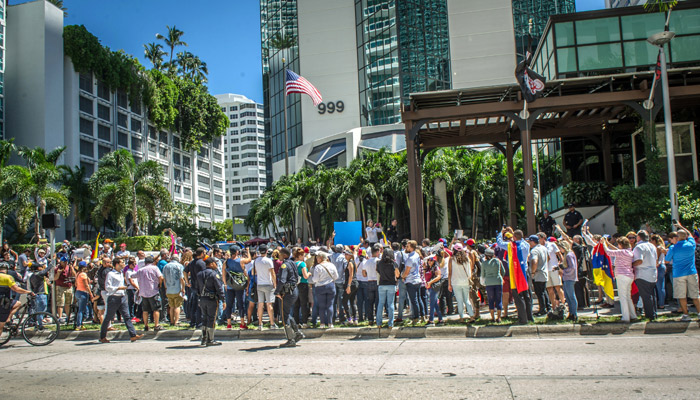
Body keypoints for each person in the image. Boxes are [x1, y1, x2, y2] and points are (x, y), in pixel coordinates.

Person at [99, 258, 144, 343]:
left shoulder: (121, 273)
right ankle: (102, 336)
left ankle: (133, 335)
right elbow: (107, 287)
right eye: (122, 262)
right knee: (108, 317)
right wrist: (118, 288)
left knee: (127, 317)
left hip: (122, 297)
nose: (124, 264)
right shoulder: (110, 274)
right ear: (117, 264)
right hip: (113, 297)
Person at [497, 228, 533, 324]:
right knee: (526, 295)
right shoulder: (526, 244)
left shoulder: (511, 245)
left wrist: (501, 232)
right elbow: (519, 238)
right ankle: (529, 317)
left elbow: (499, 242)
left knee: (518, 296)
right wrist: (513, 233)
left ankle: (523, 319)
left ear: (514, 237)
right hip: (525, 271)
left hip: (516, 273)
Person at [666, 222, 700, 322]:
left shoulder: (673, 247)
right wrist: (681, 226)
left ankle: (686, 314)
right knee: (695, 294)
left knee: (681, 295)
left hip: (678, 273)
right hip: (691, 271)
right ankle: (699, 313)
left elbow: (667, 260)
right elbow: (689, 234)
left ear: (677, 237)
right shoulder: (691, 244)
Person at [601, 237, 636, 322]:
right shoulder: (629, 252)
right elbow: (616, 250)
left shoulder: (622, 252)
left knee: (623, 297)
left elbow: (609, 252)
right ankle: (633, 315)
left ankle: (625, 317)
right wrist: (608, 244)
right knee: (628, 297)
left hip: (622, 275)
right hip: (629, 276)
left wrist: (604, 244)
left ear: (621, 244)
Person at [275, 248, 305, 347]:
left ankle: (290, 339)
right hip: (293, 290)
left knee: (284, 316)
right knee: (287, 313)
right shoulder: (292, 263)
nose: (278, 256)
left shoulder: (284, 265)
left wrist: (277, 291)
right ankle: (297, 333)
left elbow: (282, 280)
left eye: (280, 254)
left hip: (287, 292)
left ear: (284, 255)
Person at [196, 257, 225, 346]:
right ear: (211, 264)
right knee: (211, 319)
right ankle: (210, 339)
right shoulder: (213, 274)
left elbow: (197, 287)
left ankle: (204, 338)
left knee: (204, 318)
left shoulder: (199, 274)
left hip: (202, 299)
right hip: (212, 299)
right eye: (215, 263)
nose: (216, 265)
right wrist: (223, 299)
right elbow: (219, 288)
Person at [0, 262, 35, 335]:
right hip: (3, 303)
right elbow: (16, 289)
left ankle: (8, 319)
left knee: (17, 303)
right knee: (1, 326)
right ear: (6, 270)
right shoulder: (8, 277)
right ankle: (8, 319)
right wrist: (28, 292)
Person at [134, 256, 164, 332]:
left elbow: (132, 276)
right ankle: (156, 325)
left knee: (145, 310)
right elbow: (161, 277)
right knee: (156, 309)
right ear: (153, 262)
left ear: (145, 262)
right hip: (153, 291)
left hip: (143, 292)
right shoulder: (155, 268)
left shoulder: (141, 270)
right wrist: (160, 284)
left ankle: (146, 325)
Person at [632, 230, 658, 320]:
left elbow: (639, 260)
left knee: (645, 296)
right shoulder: (652, 246)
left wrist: (630, 264)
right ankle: (654, 312)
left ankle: (650, 315)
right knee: (651, 295)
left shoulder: (639, 247)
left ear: (638, 237)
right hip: (652, 273)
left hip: (642, 274)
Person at [311, 251, 339, 328]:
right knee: (330, 305)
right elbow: (336, 276)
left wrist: (312, 278)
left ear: (320, 258)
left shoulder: (318, 267)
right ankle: (330, 323)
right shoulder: (332, 265)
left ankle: (322, 323)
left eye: (317, 258)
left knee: (322, 306)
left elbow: (315, 279)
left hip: (320, 287)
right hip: (330, 286)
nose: (316, 259)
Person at [253, 245, 277, 330]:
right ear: (267, 251)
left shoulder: (256, 261)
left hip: (259, 283)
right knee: (269, 304)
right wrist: (275, 284)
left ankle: (260, 324)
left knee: (260, 304)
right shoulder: (269, 261)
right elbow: (272, 273)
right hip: (268, 283)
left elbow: (255, 272)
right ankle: (272, 323)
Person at [448, 243, 473, 322]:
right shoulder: (467, 259)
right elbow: (470, 271)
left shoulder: (452, 259)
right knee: (467, 300)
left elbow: (450, 272)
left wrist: (449, 284)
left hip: (456, 282)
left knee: (459, 301)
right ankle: (472, 316)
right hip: (465, 281)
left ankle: (461, 317)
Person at [481, 248, 506, 322]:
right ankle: (499, 317)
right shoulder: (498, 261)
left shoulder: (484, 263)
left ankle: (492, 317)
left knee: (491, 299)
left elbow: (482, 274)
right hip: (498, 281)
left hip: (489, 283)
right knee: (499, 300)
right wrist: (500, 277)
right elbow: (503, 271)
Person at [401, 240, 422, 326]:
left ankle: (416, 317)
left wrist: (403, 277)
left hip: (411, 281)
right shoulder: (417, 255)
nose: (406, 247)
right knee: (418, 299)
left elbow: (407, 271)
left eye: (408, 246)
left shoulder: (410, 258)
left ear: (411, 247)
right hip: (417, 279)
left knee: (414, 301)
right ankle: (423, 315)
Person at [556, 239, 579, 320]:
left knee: (571, 296)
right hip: (567, 278)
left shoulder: (569, 255)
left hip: (570, 278)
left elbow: (572, 267)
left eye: (560, 248)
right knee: (568, 297)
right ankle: (571, 313)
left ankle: (574, 314)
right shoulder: (568, 254)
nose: (560, 250)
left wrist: (563, 271)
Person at [528, 234, 550, 316]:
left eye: (530, 241)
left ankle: (542, 309)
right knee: (544, 291)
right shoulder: (544, 248)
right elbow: (548, 258)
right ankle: (548, 307)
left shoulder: (534, 251)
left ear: (533, 241)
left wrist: (533, 272)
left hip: (537, 274)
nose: (529, 243)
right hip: (544, 272)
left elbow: (534, 261)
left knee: (539, 293)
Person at [376, 248, 398, 329]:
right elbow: (397, 275)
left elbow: (378, 271)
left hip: (382, 284)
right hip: (391, 284)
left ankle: (378, 323)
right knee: (390, 304)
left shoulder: (379, 263)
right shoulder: (393, 263)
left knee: (380, 304)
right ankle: (390, 323)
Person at [184, 248, 207, 328]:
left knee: (194, 304)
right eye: (204, 252)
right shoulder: (202, 263)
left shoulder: (191, 263)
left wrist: (187, 282)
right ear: (201, 254)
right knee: (200, 305)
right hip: (201, 286)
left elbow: (185, 271)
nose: (205, 254)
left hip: (193, 286)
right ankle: (199, 322)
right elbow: (205, 274)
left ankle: (192, 322)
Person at [162, 254, 186, 327]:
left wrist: (166, 287)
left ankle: (171, 321)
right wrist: (183, 288)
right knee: (177, 306)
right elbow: (181, 278)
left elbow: (164, 278)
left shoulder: (166, 266)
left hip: (169, 289)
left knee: (171, 306)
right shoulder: (179, 266)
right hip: (177, 288)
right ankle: (176, 321)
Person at [360, 245, 379, 326]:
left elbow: (364, 274)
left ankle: (370, 319)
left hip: (369, 281)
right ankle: (378, 319)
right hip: (377, 282)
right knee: (378, 302)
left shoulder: (366, 262)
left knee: (369, 302)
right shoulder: (379, 261)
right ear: (377, 252)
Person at [293, 247, 312, 327]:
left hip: (294, 285)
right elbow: (305, 275)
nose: (304, 257)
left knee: (296, 304)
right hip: (303, 284)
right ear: (300, 255)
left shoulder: (293, 263)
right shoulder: (302, 264)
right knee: (304, 303)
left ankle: (296, 322)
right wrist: (310, 273)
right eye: (303, 255)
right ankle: (304, 322)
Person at [544, 237, 564, 310]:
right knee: (549, 289)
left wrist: (560, 264)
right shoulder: (540, 247)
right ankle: (554, 306)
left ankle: (563, 304)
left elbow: (559, 254)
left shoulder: (551, 244)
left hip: (553, 268)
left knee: (558, 287)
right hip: (546, 270)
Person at [54, 258, 75, 323]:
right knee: (60, 303)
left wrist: (72, 268)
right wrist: (58, 273)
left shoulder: (69, 267)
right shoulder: (57, 268)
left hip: (68, 286)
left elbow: (74, 275)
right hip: (60, 286)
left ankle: (68, 317)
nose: (65, 263)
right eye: (63, 262)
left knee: (68, 303)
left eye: (66, 262)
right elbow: (55, 278)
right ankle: (60, 317)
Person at [424, 255, 443, 326]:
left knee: (432, 304)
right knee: (435, 304)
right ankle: (440, 319)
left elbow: (438, 276)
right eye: (428, 260)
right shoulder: (428, 268)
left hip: (434, 287)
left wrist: (430, 282)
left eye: (431, 260)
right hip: (429, 287)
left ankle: (431, 320)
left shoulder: (436, 267)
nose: (429, 261)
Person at [74, 261, 93, 330]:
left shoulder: (77, 274)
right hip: (83, 292)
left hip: (78, 291)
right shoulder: (83, 275)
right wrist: (91, 294)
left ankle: (80, 323)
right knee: (82, 310)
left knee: (80, 309)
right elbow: (86, 285)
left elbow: (76, 284)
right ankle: (79, 325)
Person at [341, 248, 358, 325]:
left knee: (344, 301)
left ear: (350, 255)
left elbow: (351, 275)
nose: (345, 255)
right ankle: (354, 318)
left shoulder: (350, 263)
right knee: (352, 301)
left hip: (351, 283)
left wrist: (348, 286)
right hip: (354, 283)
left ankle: (349, 318)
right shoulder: (353, 262)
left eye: (347, 254)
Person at [650, 234, 667, 310]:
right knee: (661, 286)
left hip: (659, 267)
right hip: (662, 266)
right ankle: (661, 303)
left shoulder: (658, 248)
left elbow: (656, 259)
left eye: (651, 240)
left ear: (654, 240)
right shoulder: (661, 247)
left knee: (659, 287)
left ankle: (661, 304)